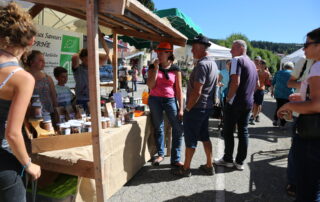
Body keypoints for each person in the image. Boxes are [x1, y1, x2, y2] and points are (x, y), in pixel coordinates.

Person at [0, 2, 41, 201]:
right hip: (4, 163)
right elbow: (13, 133)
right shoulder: (21, 78)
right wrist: (28, 164)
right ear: (31, 41)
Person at [277, 27, 320, 201]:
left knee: (307, 189)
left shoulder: (317, 66)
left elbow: (317, 105)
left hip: (312, 136)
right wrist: (301, 97)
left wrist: (289, 105)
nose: (303, 48)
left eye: (307, 44)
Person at [172, 35, 218, 177]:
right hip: (206, 106)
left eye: (193, 48)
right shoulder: (213, 63)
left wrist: (187, 108)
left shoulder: (202, 65)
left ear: (200, 47)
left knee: (190, 138)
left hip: (197, 107)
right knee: (204, 136)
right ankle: (209, 165)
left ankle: (186, 168)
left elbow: (197, 91)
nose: (192, 51)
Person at [215, 40, 258, 171]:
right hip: (247, 102)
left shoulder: (236, 60)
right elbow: (256, 85)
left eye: (233, 48)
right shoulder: (252, 63)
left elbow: (235, 81)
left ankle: (228, 159)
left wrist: (228, 98)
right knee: (243, 131)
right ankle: (239, 161)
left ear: (240, 48)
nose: (230, 51)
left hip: (235, 102)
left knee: (228, 131)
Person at [147, 42, 184, 167]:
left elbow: (179, 89)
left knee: (178, 128)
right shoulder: (152, 67)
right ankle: (161, 154)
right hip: (155, 99)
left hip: (170, 99)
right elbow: (151, 85)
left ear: (169, 54)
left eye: (162, 52)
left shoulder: (175, 69)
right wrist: (156, 69)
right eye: (158, 52)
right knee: (159, 128)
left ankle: (176, 158)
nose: (159, 55)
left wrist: (181, 109)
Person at [285, 56, 314, 196]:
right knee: (297, 150)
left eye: (307, 44)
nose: (304, 49)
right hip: (302, 115)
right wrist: (304, 89)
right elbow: (290, 83)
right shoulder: (304, 61)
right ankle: (294, 182)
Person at [72, 29, 109, 111]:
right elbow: (74, 57)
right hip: (81, 99)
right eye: (85, 59)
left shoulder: (95, 66)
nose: (88, 61)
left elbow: (107, 54)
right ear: (81, 59)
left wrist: (101, 39)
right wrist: (86, 51)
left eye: (89, 59)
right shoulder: (78, 68)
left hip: (94, 98)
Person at [27, 50, 57, 114]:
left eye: (43, 60)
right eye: (40, 60)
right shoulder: (24, 77)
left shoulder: (48, 78)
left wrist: (56, 111)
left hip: (48, 115)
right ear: (31, 62)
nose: (44, 62)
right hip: (30, 115)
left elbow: (53, 96)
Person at [271, 62, 295, 127]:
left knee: (278, 106)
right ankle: (282, 124)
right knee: (286, 109)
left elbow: (273, 83)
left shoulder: (278, 72)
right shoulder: (293, 73)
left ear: (284, 66)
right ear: (292, 67)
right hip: (289, 94)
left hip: (278, 94)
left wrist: (272, 91)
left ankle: (275, 120)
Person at [249, 59, 270, 124]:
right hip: (256, 89)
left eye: (261, 64)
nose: (260, 65)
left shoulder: (266, 73)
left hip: (260, 89)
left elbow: (267, 82)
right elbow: (267, 82)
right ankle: (254, 116)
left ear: (264, 65)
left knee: (257, 105)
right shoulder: (259, 72)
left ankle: (254, 117)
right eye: (260, 64)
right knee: (255, 104)